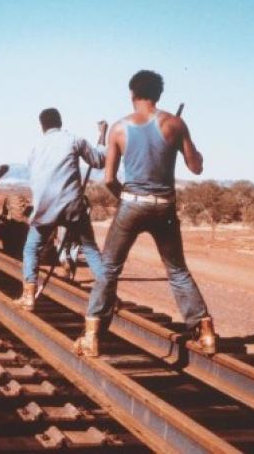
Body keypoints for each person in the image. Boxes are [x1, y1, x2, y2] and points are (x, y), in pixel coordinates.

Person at [77, 70, 216, 357]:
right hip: (164, 206)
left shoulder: (118, 128)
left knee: (109, 270)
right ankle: (205, 332)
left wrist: (126, 200)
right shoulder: (175, 124)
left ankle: (91, 337)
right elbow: (196, 167)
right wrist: (185, 143)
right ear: (158, 95)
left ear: (132, 94)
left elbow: (109, 179)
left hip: (131, 203)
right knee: (177, 270)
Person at [15, 108, 108, 311]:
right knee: (90, 249)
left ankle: (28, 295)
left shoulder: (35, 148)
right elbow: (99, 160)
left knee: (31, 248)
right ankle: (107, 294)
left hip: (44, 208)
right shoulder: (74, 140)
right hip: (71, 206)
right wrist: (102, 136)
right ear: (60, 122)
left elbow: (35, 173)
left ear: (42, 126)